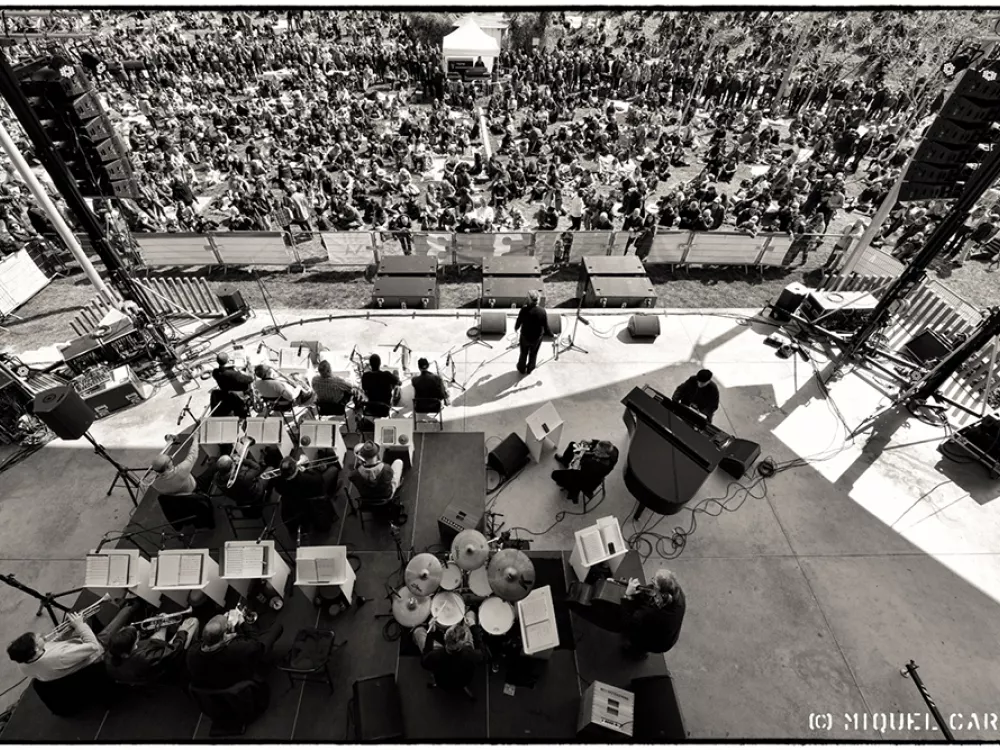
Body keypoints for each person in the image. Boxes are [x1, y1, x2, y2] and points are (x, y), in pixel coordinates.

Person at [7, 600, 142, 682]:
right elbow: (94, 646)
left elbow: (54, 644)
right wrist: (79, 626)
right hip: (95, 655)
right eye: (38, 638)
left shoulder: (23, 661)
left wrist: (68, 628)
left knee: (81, 616)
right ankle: (133, 607)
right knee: (103, 635)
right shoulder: (59, 657)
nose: (41, 635)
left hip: (73, 649)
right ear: (35, 649)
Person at [186, 611, 284, 690]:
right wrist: (242, 623)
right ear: (225, 636)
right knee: (276, 628)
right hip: (237, 680)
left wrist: (222, 623)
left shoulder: (191, 652)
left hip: (214, 684)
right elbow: (256, 644)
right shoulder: (236, 649)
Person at [104, 616, 200, 685]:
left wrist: (160, 624)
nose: (138, 633)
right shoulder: (145, 658)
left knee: (163, 620)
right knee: (192, 621)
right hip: (164, 657)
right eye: (136, 636)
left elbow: (145, 643)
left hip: (150, 648)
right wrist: (181, 632)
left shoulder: (111, 654)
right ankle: (194, 652)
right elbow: (174, 650)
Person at [620, 569, 686, 659]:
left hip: (658, 644)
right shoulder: (678, 594)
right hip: (668, 636)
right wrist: (642, 590)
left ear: (660, 591)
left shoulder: (651, 614)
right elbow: (652, 591)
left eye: (654, 581)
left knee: (635, 638)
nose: (652, 582)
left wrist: (627, 595)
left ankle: (637, 653)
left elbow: (627, 622)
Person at [412, 616, 483, 698]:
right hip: (464, 681)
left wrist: (430, 634)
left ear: (445, 636)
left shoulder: (434, 656)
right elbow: (483, 653)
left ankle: (417, 631)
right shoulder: (470, 654)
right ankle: (467, 618)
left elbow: (424, 661)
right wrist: (473, 627)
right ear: (462, 642)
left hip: (442, 682)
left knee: (418, 631)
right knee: (469, 617)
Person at [270, 456, 339, 539]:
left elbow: (279, 490)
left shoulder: (277, 481)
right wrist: (308, 469)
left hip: (294, 502)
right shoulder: (308, 478)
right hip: (313, 498)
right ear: (295, 469)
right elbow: (319, 480)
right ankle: (332, 492)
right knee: (333, 469)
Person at [551, 440, 619, 504]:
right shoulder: (613, 451)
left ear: (605, 454)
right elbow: (597, 444)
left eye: (597, 451)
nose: (594, 450)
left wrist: (581, 454)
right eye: (596, 448)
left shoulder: (596, 466)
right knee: (573, 445)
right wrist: (589, 443)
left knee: (555, 474)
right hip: (588, 466)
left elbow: (576, 468)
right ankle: (564, 461)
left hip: (585, 480)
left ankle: (566, 485)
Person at [514, 289, 551, 375]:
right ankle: (530, 368)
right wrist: (552, 335)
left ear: (529, 299)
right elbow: (546, 327)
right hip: (536, 338)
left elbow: (519, 321)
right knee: (533, 354)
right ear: (538, 300)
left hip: (525, 337)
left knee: (523, 353)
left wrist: (516, 328)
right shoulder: (542, 311)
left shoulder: (524, 310)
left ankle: (521, 368)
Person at [151, 431, 201, 495]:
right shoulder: (182, 470)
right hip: (193, 489)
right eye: (170, 459)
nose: (171, 456)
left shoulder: (155, 483)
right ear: (168, 466)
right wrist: (196, 438)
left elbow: (160, 462)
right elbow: (193, 455)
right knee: (214, 465)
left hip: (176, 497)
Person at [211, 353, 253, 417]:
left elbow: (225, 373)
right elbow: (250, 379)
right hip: (239, 394)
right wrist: (241, 371)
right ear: (228, 360)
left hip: (226, 391)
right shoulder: (233, 374)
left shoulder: (215, 372)